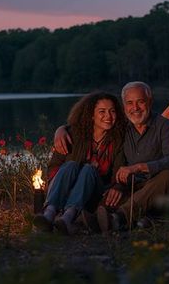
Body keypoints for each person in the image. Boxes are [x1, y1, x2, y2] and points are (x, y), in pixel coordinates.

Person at [54, 81, 169, 232]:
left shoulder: (165, 126)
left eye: (140, 102)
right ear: (124, 106)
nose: (135, 108)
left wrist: (141, 167)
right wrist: (61, 129)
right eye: (129, 103)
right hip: (132, 192)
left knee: (168, 175)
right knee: (110, 195)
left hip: (163, 196)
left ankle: (119, 217)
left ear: (150, 101)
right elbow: (91, 125)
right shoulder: (121, 129)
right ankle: (128, 219)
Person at [33, 91, 127, 235]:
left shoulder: (118, 139)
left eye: (112, 111)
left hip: (95, 193)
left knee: (88, 169)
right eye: (102, 111)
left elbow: (118, 172)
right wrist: (60, 129)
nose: (108, 116)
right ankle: (49, 214)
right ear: (91, 115)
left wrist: (118, 186)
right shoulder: (73, 134)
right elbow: (54, 167)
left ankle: (68, 217)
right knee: (71, 165)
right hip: (64, 188)